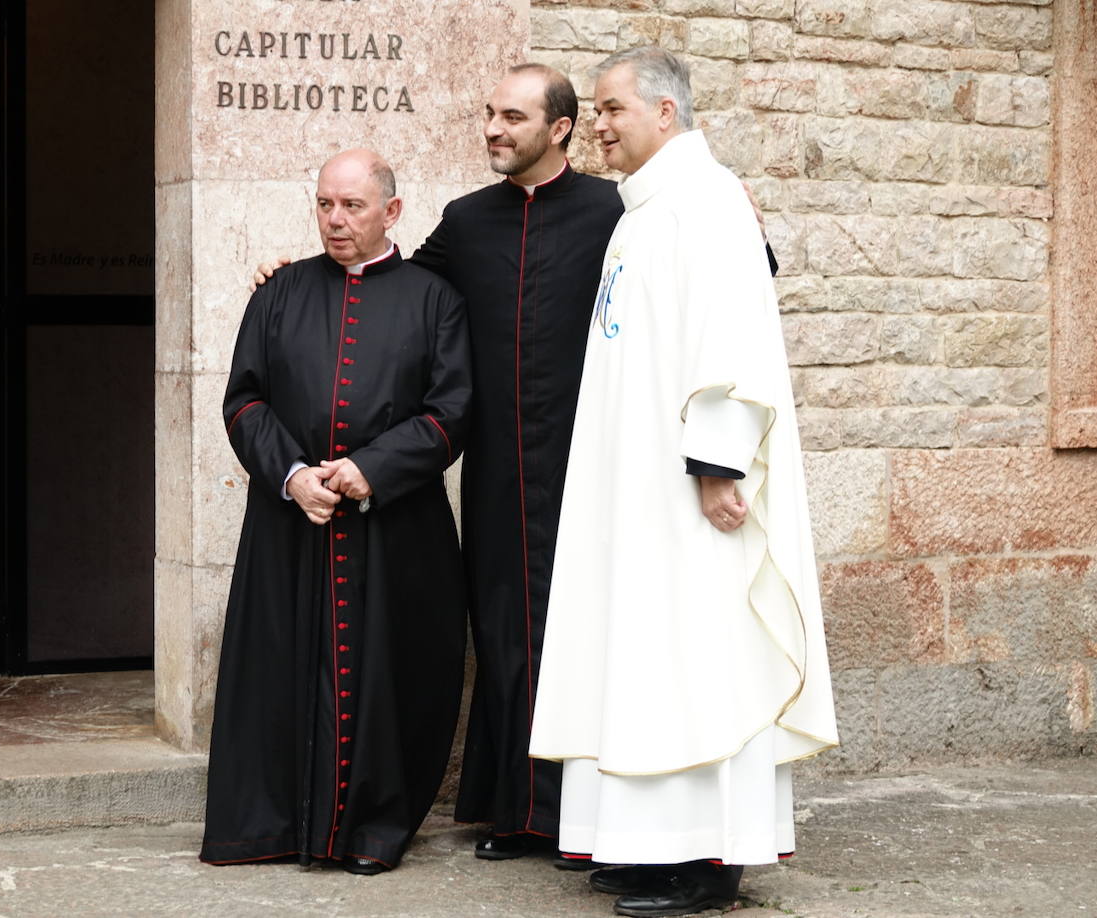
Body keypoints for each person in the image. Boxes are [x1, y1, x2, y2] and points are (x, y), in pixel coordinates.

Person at [254, 64, 777, 866]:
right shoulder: (466, 223)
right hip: (498, 466)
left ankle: (591, 815)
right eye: (487, 115)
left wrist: (749, 224)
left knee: (595, 631)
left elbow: (722, 274)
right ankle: (519, 810)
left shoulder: (619, 209)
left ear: (560, 128)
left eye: (510, 116)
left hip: (596, 460)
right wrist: (294, 281)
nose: (493, 130)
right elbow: (390, 283)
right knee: (503, 629)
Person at [528, 47, 838, 917]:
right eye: (596, 109)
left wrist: (717, 462)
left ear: (667, 112)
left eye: (614, 109)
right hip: (637, 486)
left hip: (692, 486)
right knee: (644, 655)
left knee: (700, 656)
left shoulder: (707, 203)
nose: (600, 124)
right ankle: (649, 845)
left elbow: (731, 335)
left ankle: (711, 859)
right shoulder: (644, 212)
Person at [200, 149, 472, 876]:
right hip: (290, 525)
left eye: (352, 206)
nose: (335, 219)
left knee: (392, 677)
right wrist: (292, 475)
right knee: (279, 671)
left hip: (394, 530)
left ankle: (372, 829)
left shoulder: (432, 298)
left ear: (392, 212)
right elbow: (244, 400)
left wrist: (366, 469)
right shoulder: (280, 292)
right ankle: (274, 825)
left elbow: (452, 413)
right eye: (325, 204)